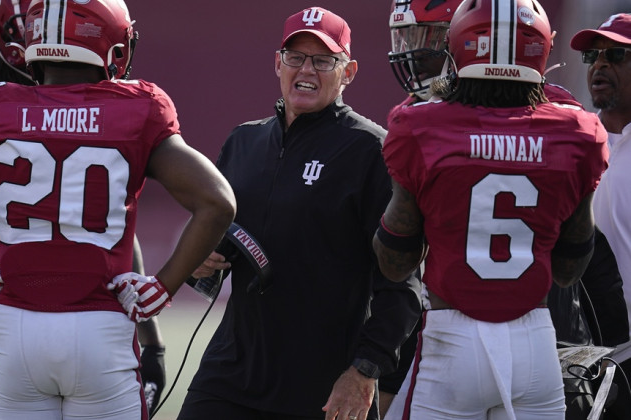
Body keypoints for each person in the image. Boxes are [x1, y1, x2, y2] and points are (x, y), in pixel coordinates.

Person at [0, 0, 236, 418]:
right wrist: (162, 287)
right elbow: (217, 201)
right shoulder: (137, 108)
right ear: (112, 45)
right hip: (100, 328)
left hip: (13, 328)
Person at [386, 1, 629, 418]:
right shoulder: (579, 131)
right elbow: (570, 269)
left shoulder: (417, 126)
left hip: (451, 339)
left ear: (460, 44)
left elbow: (395, 261)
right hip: (535, 342)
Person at [178, 7, 421, 420]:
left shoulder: (371, 151)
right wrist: (201, 262)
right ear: (278, 63)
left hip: (323, 383)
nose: (306, 69)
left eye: (323, 60)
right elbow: (215, 241)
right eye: (295, 57)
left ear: (349, 72)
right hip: (231, 372)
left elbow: (402, 283)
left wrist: (364, 371)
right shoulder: (243, 142)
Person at [571, 13, 631, 420]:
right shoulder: (574, 143)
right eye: (593, 55)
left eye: (616, 54)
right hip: (588, 359)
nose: (599, 64)